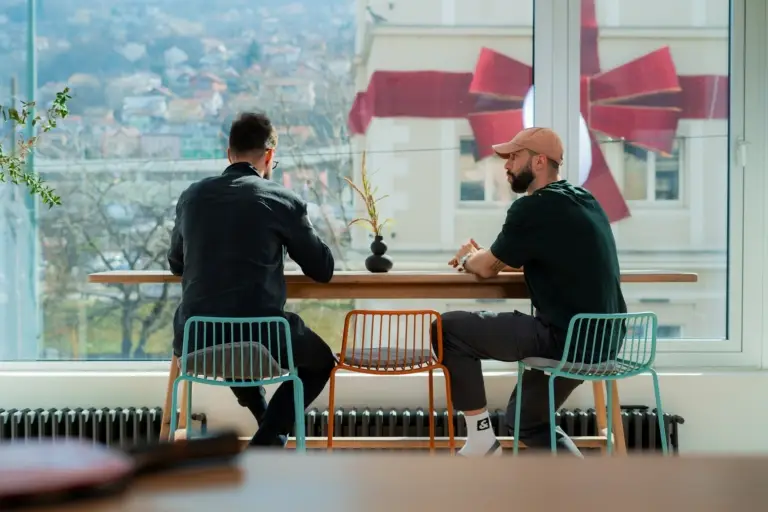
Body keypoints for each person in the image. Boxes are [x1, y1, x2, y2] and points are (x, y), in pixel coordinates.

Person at [436, 127, 627, 457]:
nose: (506, 166)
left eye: (514, 157)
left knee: (448, 329)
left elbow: (484, 268)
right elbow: (540, 253)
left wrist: (470, 257)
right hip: (604, 339)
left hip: (565, 338)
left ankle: (481, 441)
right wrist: (492, 257)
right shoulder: (584, 199)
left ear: (539, 161)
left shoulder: (533, 208)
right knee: (527, 421)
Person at [167, 112, 337, 448]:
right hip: (260, 334)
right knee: (320, 361)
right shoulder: (280, 199)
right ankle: (269, 438)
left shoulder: (192, 196)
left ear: (228, 153)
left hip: (195, 337)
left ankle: (266, 427)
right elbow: (323, 269)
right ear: (270, 155)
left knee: (231, 335)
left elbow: (176, 264)